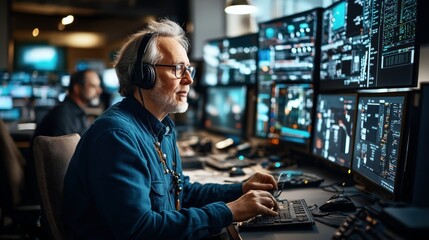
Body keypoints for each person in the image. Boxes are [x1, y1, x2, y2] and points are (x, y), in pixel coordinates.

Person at [63, 18, 279, 240]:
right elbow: (140, 230)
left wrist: (240, 190)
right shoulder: (116, 136)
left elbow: (181, 192)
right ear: (144, 75)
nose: (188, 80)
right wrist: (230, 211)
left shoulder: (162, 127)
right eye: (178, 69)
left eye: (189, 70)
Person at [32, 69, 103, 138]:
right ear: (77, 88)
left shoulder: (76, 111)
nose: (99, 91)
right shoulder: (63, 114)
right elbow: (67, 149)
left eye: (98, 86)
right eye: (93, 86)